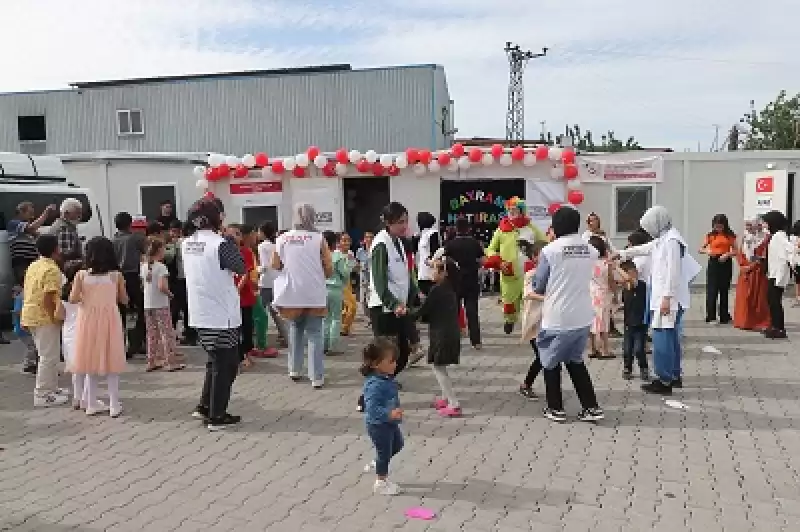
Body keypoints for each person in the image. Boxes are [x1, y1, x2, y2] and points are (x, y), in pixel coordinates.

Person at [617, 206, 700, 395]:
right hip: (666, 297)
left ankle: (664, 381)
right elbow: (646, 248)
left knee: (662, 339)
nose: (648, 231)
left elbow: (673, 272)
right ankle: (674, 375)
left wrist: (667, 298)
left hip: (667, 298)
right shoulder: (664, 239)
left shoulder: (671, 241)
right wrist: (622, 254)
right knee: (670, 339)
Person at [532, 206, 604, 423]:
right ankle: (591, 407)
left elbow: (539, 285)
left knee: (550, 361)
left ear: (556, 226)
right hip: (582, 315)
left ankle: (556, 408)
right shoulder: (590, 249)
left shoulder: (550, 251)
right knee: (575, 361)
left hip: (558, 315)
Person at [183, 198, 245, 431]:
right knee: (226, 365)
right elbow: (240, 267)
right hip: (222, 315)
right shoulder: (222, 244)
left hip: (200, 312)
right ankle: (217, 416)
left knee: (214, 361)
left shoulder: (187, 243)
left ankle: (204, 406)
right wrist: (231, 240)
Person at [272, 203, 333, 389]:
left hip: (292, 294)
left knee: (295, 330)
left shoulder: (282, 238)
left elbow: (275, 264)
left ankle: (294, 369)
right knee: (315, 334)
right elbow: (329, 267)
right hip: (314, 293)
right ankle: (317, 377)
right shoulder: (319, 238)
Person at [68, 237, 128, 417]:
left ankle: (91, 403)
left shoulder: (81, 275)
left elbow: (72, 298)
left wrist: (87, 301)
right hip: (110, 319)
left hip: (87, 319)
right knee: (113, 359)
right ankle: (114, 404)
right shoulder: (115, 276)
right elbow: (123, 299)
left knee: (90, 359)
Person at [367, 202, 416, 379]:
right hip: (384, 309)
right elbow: (380, 282)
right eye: (399, 222)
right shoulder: (381, 244)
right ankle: (369, 394)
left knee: (401, 353)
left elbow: (404, 274)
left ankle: (385, 384)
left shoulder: (398, 242)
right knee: (384, 357)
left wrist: (413, 294)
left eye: (405, 221)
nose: (404, 226)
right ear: (388, 222)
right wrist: (393, 303)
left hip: (398, 308)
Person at [485, 197, 546, 334]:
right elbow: (490, 249)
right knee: (509, 303)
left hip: (529, 272)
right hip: (509, 273)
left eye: (515, 210)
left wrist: (538, 256)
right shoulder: (501, 230)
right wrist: (498, 262)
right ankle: (510, 320)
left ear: (521, 211)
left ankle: (529, 326)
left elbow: (544, 244)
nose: (511, 212)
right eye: (509, 210)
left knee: (529, 302)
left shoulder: (531, 228)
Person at [22, 234, 68, 407]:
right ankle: (42, 393)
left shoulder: (34, 265)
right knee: (48, 356)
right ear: (55, 249)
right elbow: (49, 297)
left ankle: (52, 388)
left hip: (31, 314)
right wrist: (54, 317)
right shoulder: (52, 269)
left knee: (50, 354)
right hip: (44, 317)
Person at [414, 257, 463, 417]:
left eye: (435, 269)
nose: (432, 272)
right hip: (448, 332)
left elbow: (423, 310)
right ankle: (444, 397)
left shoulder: (438, 289)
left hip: (442, 334)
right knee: (439, 365)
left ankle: (453, 402)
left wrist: (405, 314)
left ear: (444, 273)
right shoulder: (450, 288)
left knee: (438, 367)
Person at [361, 338, 404, 496]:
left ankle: (378, 462)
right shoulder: (375, 385)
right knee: (384, 453)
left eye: (395, 361)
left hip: (390, 423)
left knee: (398, 445)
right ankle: (381, 481)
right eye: (391, 361)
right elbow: (372, 409)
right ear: (375, 364)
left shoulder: (385, 378)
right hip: (379, 425)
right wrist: (389, 413)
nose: (395, 364)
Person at [141, 238, 184, 372]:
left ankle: (151, 361)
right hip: (160, 303)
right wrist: (170, 294)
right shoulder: (161, 267)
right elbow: (162, 286)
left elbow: (144, 285)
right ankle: (170, 361)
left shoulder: (143, 266)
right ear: (159, 250)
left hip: (148, 304)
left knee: (152, 333)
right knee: (167, 333)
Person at [444, 217, 486, 349]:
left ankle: (452, 340)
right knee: (472, 312)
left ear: (456, 229)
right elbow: (483, 260)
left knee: (453, 312)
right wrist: (475, 265)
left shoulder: (450, 244)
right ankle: (476, 341)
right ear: (468, 228)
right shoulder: (474, 243)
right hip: (471, 281)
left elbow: (444, 259)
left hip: (455, 282)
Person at [112, 212, 147, 357]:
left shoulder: (112, 240)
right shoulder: (136, 238)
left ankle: (121, 345)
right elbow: (147, 251)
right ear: (129, 224)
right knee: (139, 310)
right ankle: (136, 343)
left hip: (117, 277)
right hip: (133, 276)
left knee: (120, 313)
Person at [582, 213, 621, 337]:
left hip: (605, 262)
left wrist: (618, 255)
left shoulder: (603, 234)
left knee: (606, 303)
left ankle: (610, 326)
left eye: (596, 220)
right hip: (595, 266)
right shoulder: (586, 236)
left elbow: (610, 248)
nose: (593, 223)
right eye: (591, 220)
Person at [227, 224, 258, 367]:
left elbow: (246, 273)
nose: (235, 237)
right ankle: (239, 356)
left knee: (247, 327)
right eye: (232, 234)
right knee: (234, 328)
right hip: (229, 297)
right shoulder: (223, 251)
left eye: (237, 233)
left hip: (244, 296)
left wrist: (237, 289)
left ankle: (246, 352)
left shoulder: (246, 252)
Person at [518, 240, 546, 400]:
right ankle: (526, 385)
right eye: (542, 256)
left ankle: (527, 384)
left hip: (548, 321)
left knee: (546, 357)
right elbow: (528, 294)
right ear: (534, 257)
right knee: (542, 356)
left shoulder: (552, 273)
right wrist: (547, 297)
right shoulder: (531, 274)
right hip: (534, 322)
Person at [733, 219, 771, 331]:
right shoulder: (743, 237)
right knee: (745, 297)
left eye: (751, 225)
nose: (748, 227)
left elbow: (764, 256)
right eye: (747, 225)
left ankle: (758, 321)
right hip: (746, 271)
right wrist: (743, 266)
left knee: (758, 298)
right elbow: (739, 252)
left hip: (758, 272)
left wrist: (753, 265)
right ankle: (743, 321)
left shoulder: (765, 238)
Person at [762, 210, 794, 339]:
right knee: (772, 300)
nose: (765, 225)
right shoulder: (776, 236)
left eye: (767, 222)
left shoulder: (780, 236)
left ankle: (779, 328)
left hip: (778, 275)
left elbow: (790, 249)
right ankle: (775, 326)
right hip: (774, 273)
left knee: (775, 301)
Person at [8, 201, 57, 286]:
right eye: (30, 213)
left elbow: (38, 236)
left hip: (33, 262)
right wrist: (46, 212)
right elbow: (31, 228)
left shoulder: (28, 229)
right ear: (21, 212)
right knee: (27, 284)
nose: (32, 216)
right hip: (22, 262)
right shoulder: (13, 223)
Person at [699, 214, 737, 324]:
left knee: (724, 290)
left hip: (725, 262)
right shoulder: (710, 236)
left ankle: (724, 315)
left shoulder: (730, 236)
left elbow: (736, 250)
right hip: (714, 262)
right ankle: (711, 316)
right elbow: (701, 249)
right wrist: (708, 251)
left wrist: (727, 254)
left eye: (720, 226)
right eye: (716, 226)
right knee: (712, 290)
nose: (718, 228)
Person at [257, 222, 288, 348]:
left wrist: (256, 270)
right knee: (277, 311)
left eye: (259, 231)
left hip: (265, 282)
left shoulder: (262, 246)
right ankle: (286, 337)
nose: (258, 234)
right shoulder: (277, 245)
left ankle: (260, 340)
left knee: (260, 312)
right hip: (277, 280)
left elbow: (265, 266)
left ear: (264, 232)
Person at [618, 260, 649, 381]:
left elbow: (632, 281)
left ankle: (644, 368)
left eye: (631, 273)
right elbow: (625, 304)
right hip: (628, 324)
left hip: (640, 324)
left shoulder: (641, 285)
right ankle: (627, 368)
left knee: (639, 349)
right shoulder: (625, 289)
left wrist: (616, 266)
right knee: (627, 349)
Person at [323, 231, 350, 356]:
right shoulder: (338, 255)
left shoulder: (321, 255)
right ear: (335, 243)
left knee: (325, 318)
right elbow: (344, 273)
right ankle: (333, 346)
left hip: (322, 288)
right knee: (336, 318)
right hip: (335, 288)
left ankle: (323, 344)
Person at [588, 236, 615, 360]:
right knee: (604, 321)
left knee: (592, 321)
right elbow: (610, 280)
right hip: (603, 294)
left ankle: (593, 348)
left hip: (591, 293)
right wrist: (615, 293)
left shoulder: (588, 262)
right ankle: (604, 349)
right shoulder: (606, 263)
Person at [50, 198, 85, 270]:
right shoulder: (65, 228)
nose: (80, 217)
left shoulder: (59, 224)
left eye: (80, 213)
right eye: (77, 213)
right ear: (66, 213)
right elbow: (64, 256)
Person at [12, 282, 38, 374]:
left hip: (22, 327)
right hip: (22, 328)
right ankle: (28, 365)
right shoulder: (22, 297)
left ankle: (30, 364)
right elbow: (17, 311)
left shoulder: (23, 296)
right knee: (32, 346)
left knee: (32, 345)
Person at [415, 212, 440, 296]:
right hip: (422, 271)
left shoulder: (432, 233)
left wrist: (430, 261)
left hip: (431, 271)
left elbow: (435, 251)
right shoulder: (420, 235)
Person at [339, 233, 358, 336]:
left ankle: (344, 328)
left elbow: (354, 268)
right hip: (340, 283)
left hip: (348, 283)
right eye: (344, 240)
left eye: (348, 240)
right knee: (351, 306)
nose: (346, 243)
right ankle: (343, 327)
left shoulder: (350, 253)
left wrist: (354, 262)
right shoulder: (337, 254)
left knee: (349, 307)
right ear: (339, 242)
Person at [356, 232, 374, 321]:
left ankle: (372, 317)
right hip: (363, 277)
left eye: (371, 237)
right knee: (363, 299)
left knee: (371, 297)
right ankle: (367, 317)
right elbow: (357, 263)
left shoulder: (375, 249)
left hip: (373, 277)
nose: (369, 239)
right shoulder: (360, 251)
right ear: (364, 239)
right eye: (367, 237)